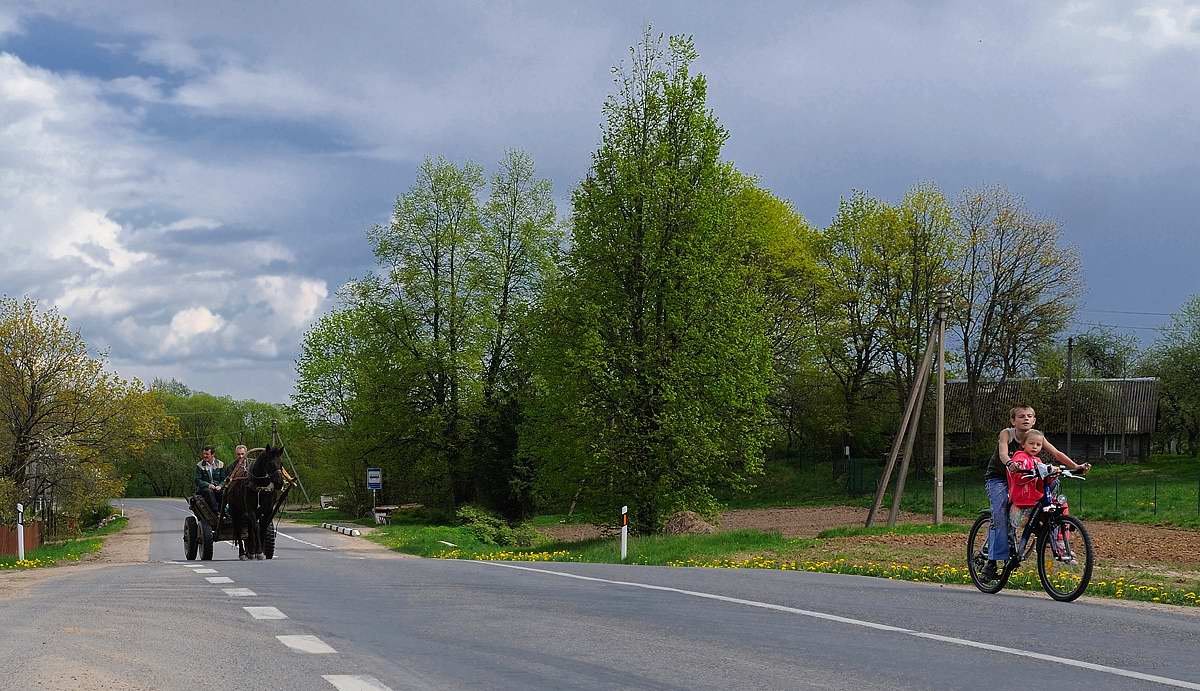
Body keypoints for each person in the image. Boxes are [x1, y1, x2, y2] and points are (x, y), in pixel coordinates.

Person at [982, 405, 1090, 580]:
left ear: (1034, 420)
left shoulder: (1036, 436)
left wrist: (1076, 467)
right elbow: (1003, 453)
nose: (1026, 418)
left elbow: (1056, 453)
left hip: (1026, 477)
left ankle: (1047, 529)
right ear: (1013, 420)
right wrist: (1010, 463)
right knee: (1000, 513)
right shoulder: (1007, 434)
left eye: (1030, 416)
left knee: (1051, 490)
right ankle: (992, 562)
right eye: (1021, 416)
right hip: (999, 478)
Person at [194, 446, 227, 515]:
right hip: (204, 489)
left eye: (207, 454)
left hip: (217, 487)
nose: (204, 456)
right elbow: (197, 480)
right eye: (204, 454)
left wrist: (220, 486)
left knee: (225, 492)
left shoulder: (220, 464)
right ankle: (216, 512)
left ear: (212, 454)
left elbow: (224, 479)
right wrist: (208, 485)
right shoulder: (199, 465)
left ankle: (224, 512)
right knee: (209, 491)